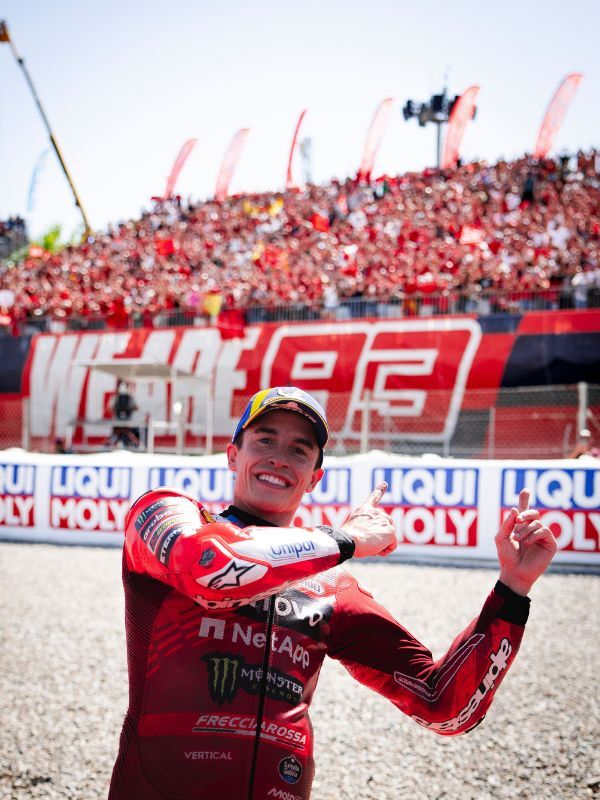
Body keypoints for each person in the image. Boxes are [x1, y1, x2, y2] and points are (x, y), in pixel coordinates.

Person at [109, 386, 557, 800]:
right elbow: (211, 568)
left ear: (314, 478)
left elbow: (443, 707)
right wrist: (347, 539)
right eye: (264, 440)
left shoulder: (333, 588)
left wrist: (513, 589)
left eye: (299, 450)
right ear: (232, 455)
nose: (279, 459)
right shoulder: (165, 512)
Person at [107, 379, 140, 448]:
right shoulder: (116, 397)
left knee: (127, 432)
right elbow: (111, 408)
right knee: (118, 432)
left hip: (127, 423)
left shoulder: (129, 397)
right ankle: (112, 445)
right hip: (119, 423)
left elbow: (136, 407)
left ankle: (134, 444)